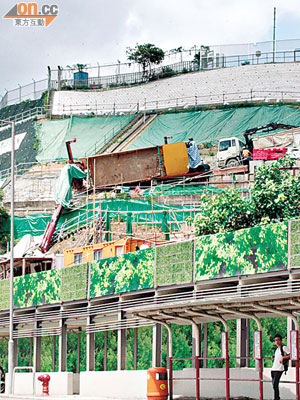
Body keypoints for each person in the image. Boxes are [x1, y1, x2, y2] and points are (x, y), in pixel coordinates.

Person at [271, 333, 290, 400]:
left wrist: (283, 358)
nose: (277, 341)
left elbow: (290, 355)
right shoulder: (277, 349)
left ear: (281, 340)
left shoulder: (284, 347)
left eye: (278, 340)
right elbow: (278, 356)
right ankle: (276, 397)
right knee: (273, 384)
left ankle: (276, 398)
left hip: (279, 368)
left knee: (275, 384)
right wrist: (274, 357)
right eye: (275, 340)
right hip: (274, 368)